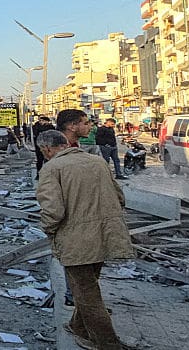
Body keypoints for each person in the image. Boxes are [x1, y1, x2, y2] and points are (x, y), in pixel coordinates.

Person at [35, 129, 134, 350]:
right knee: (87, 286)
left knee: (87, 293)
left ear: (47, 149)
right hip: (107, 235)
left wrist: (48, 229)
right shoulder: (97, 161)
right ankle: (77, 327)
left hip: (75, 240)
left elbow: (53, 211)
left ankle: (108, 343)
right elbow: (120, 197)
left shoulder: (51, 169)